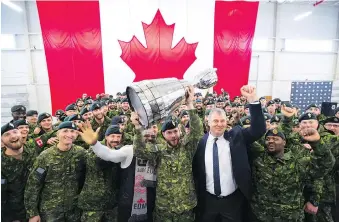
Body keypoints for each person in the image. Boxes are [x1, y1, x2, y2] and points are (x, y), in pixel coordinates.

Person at [193, 85, 266, 222]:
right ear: (208, 122)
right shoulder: (200, 143)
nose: (219, 124)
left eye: (222, 121)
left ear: (227, 122)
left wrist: (253, 100)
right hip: (208, 201)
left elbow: (258, 129)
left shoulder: (237, 136)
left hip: (233, 201)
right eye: (215, 121)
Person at [131, 85, 203, 222]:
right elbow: (139, 151)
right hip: (164, 208)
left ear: (180, 131)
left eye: (175, 131)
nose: (173, 135)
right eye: (169, 133)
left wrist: (189, 104)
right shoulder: (158, 151)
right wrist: (137, 127)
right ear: (163, 134)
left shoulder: (187, 148)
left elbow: (197, 132)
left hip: (185, 207)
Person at [24, 121, 87, 222]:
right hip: (50, 212)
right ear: (57, 134)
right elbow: (33, 184)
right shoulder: (45, 157)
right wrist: (32, 213)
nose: (69, 134)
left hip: (74, 211)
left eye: (72, 131)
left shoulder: (81, 153)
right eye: (65, 131)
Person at [1, 122, 36, 222]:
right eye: (7, 134)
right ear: (1, 142)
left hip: (39, 211)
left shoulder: (33, 151)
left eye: (15, 132)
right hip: (15, 216)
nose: (13, 136)